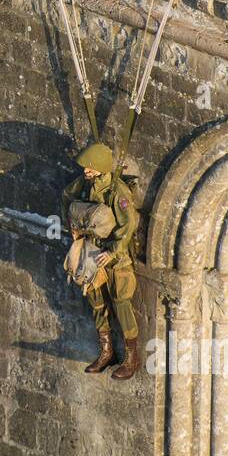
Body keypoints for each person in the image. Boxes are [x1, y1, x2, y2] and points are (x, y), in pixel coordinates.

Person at [62, 142, 140, 380]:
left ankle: (131, 358)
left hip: (113, 256)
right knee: (96, 300)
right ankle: (106, 352)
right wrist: (73, 226)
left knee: (121, 302)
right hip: (92, 250)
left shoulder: (117, 191)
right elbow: (66, 196)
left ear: (100, 168)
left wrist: (114, 251)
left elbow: (128, 225)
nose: (85, 171)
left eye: (89, 167)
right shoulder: (86, 184)